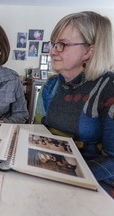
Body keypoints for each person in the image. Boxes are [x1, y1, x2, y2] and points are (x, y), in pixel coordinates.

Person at [34, 11, 114, 198]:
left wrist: (65, 174)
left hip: (97, 184)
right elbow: (38, 133)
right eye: (53, 44)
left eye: (62, 44)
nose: (53, 51)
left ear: (88, 51)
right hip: (54, 172)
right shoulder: (50, 86)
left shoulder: (109, 89)